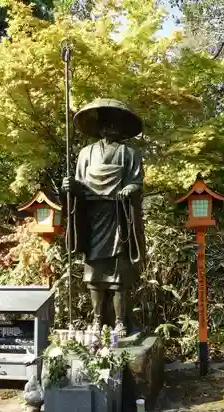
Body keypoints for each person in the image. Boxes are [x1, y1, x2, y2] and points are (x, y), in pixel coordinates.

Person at [62, 98, 145, 337]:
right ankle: (97, 320)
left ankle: (120, 322)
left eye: (116, 124)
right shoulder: (86, 153)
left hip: (118, 217)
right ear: (100, 127)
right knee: (94, 275)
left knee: (119, 276)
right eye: (107, 123)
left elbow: (136, 181)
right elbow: (79, 184)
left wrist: (130, 189)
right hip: (93, 218)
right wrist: (69, 186)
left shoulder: (129, 154)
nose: (112, 128)